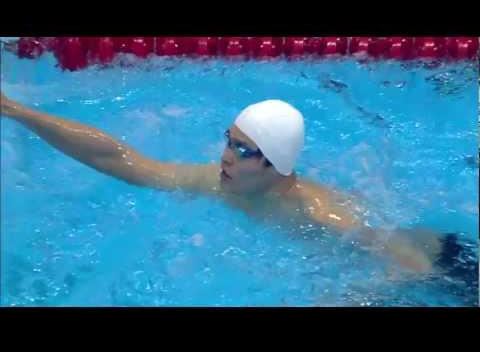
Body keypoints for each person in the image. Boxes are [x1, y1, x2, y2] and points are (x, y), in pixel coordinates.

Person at [1, 93, 446, 275]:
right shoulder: (218, 181)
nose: (226, 157)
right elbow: (121, 160)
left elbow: (412, 266)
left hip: (448, 268)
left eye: (244, 151)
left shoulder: (319, 213)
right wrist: (20, 112)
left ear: (277, 167)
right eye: (229, 142)